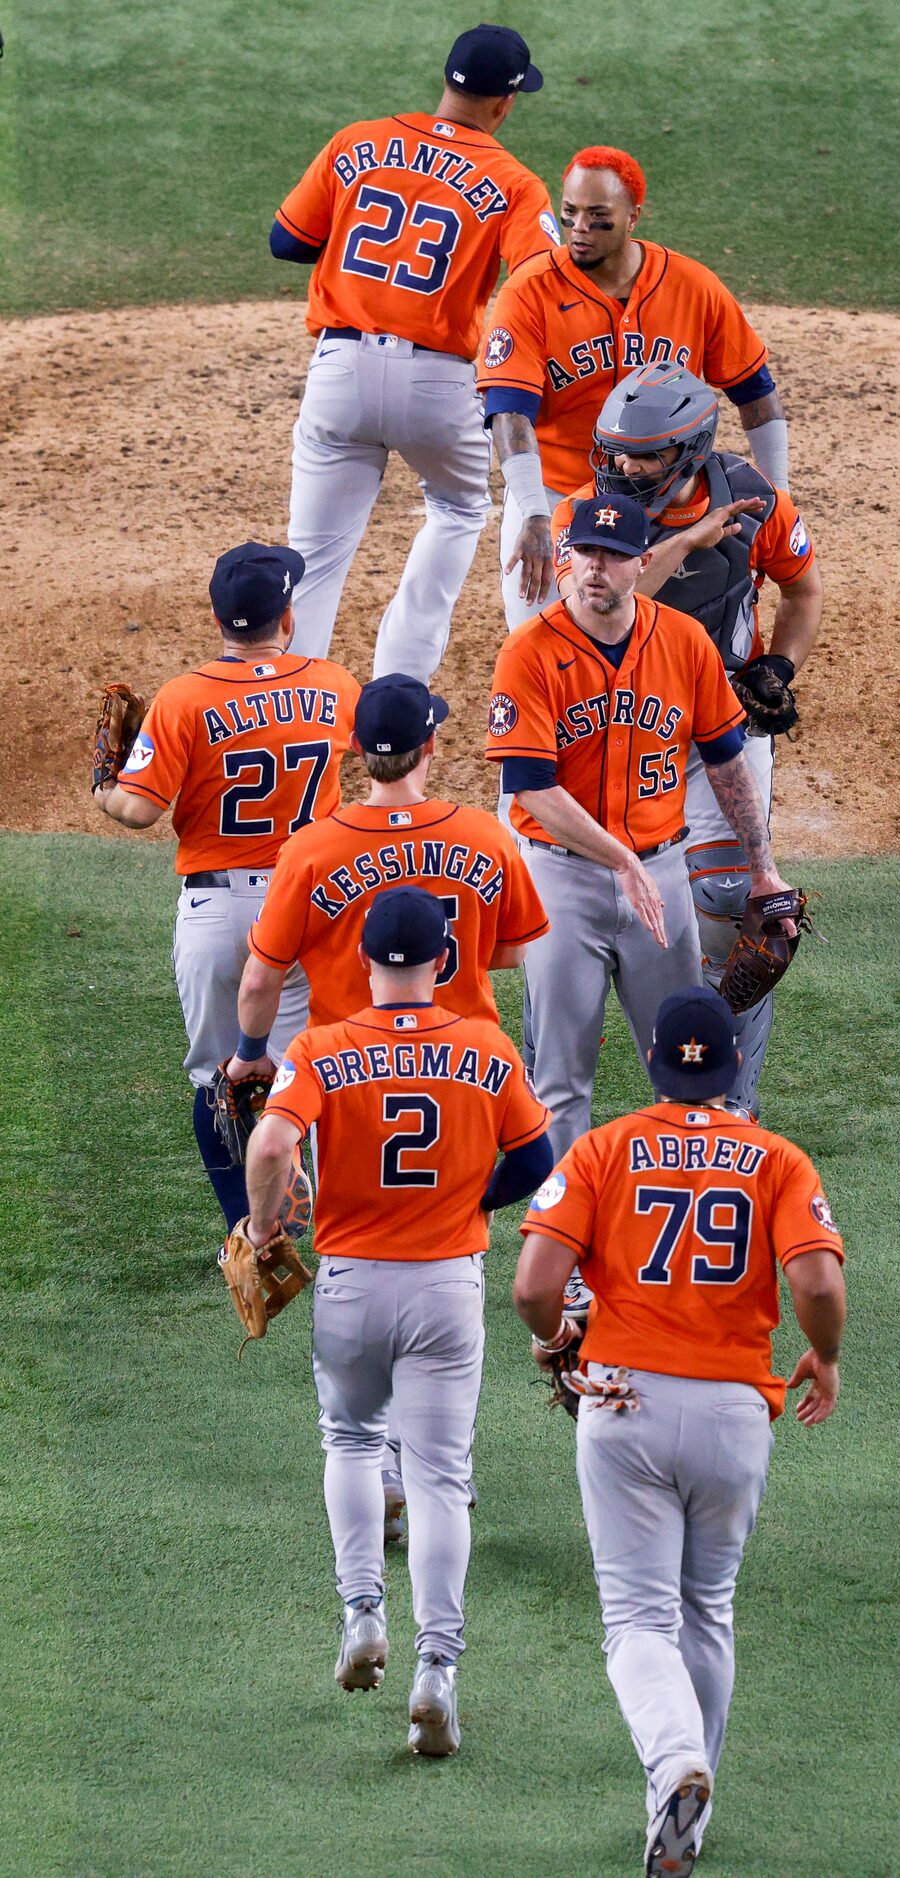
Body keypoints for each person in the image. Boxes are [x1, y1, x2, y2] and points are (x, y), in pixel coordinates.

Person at [512, 985, 846, 1876]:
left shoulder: (602, 1150)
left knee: (636, 1621)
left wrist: (555, 1340)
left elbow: (532, 1284)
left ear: (654, 1061)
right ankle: (688, 1803)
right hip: (737, 1410)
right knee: (708, 1608)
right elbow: (814, 1285)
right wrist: (825, 1354)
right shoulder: (779, 1160)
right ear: (734, 1066)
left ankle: (673, 1768)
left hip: (624, 1402)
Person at [225, 669, 549, 1540]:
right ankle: (438, 1473)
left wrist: (254, 1056)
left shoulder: (313, 848)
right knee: (449, 1272)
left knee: (360, 1265)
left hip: (346, 1084)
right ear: (432, 746)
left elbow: (262, 974)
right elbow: (513, 953)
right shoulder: (484, 835)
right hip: (469, 1077)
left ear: (355, 756)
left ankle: (381, 1469)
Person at [245, 886, 552, 1750]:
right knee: (440, 1478)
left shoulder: (321, 1047)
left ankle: (361, 1616)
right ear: (443, 963)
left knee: (348, 1441)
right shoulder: (487, 1049)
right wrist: (474, 1199)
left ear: (365, 961)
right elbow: (537, 1154)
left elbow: (271, 1146)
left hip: (351, 1284)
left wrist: (265, 1226)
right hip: (446, 1287)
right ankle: (438, 1673)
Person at [486, 492, 800, 1162]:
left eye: (615, 555)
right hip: (563, 877)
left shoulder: (683, 643)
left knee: (688, 1068)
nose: (597, 568)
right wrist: (619, 860)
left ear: (644, 562)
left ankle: (683, 1214)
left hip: (660, 872)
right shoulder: (529, 653)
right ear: (569, 558)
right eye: (586, 553)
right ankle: (566, 1253)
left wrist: (763, 867)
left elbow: (726, 762)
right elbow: (534, 791)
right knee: (562, 1082)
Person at [551, 363, 823, 1112]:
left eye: (646, 457)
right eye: (616, 453)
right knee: (585, 907)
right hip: (615, 735)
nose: (625, 470)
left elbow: (803, 588)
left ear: (695, 450)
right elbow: (600, 599)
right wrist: (695, 538)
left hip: (720, 730)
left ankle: (729, 1099)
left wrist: (777, 667)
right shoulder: (585, 517)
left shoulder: (757, 502)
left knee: (743, 907)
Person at [271, 23, 557, 677]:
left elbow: (286, 240)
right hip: (440, 385)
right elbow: (541, 279)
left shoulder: (359, 142)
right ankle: (399, 699)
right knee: (458, 510)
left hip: (339, 373)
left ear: (447, 81)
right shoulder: (513, 182)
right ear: (506, 102)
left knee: (310, 561)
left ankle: (288, 711)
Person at [91, 542, 359, 1235]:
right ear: (288, 617)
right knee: (314, 1077)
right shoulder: (334, 685)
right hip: (312, 906)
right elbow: (380, 749)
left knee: (219, 1080)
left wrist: (104, 789)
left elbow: (139, 809)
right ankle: (338, 1223)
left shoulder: (184, 698)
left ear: (217, 619)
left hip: (217, 911)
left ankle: (248, 1234)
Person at [477, 145, 790, 628]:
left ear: (633, 217)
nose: (579, 228)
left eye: (598, 215)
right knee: (547, 639)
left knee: (678, 642)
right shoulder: (530, 290)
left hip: (668, 504)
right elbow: (508, 411)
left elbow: (756, 394)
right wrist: (535, 514)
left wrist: (779, 499)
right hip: (557, 496)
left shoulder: (692, 286)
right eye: (570, 214)